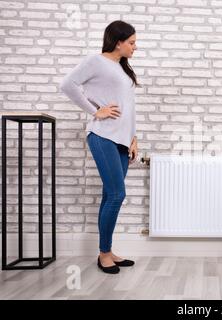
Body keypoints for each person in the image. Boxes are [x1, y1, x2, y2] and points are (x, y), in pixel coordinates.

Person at [60, 21, 138, 274]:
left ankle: (108, 249)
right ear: (118, 42)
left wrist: (134, 138)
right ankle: (104, 254)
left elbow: (128, 107)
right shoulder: (96, 61)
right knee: (117, 194)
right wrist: (96, 111)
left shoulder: (122, 69)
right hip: (103, 136)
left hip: (122, 141)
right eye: (132, 42)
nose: (135, 47)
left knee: (110, 195)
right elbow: (68, 85)